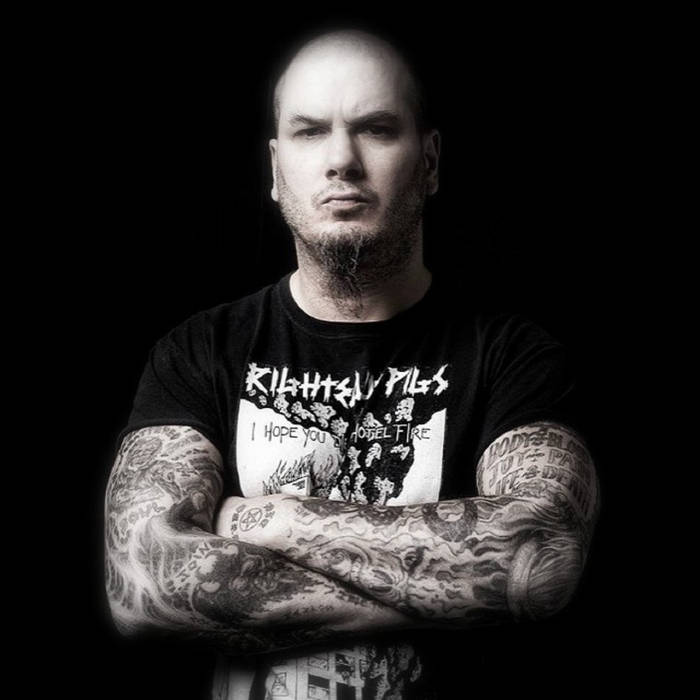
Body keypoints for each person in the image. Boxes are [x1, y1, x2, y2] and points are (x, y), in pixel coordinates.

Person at [104, 27, 600, 700]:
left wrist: (267, 520)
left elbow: (539, 555)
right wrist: (447, 593)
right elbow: (143, 582)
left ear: (429, 162)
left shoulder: (513, 356)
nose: (342, 159)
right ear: (276, 169)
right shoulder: (199, 352)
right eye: (310, 132)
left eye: (376, 129)